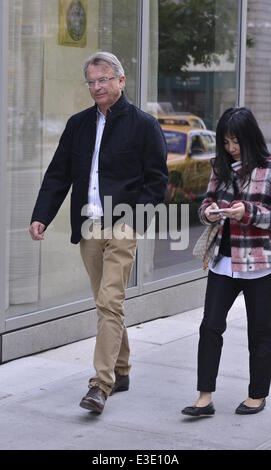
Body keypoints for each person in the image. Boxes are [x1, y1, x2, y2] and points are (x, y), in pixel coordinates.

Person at [29, 51, 168, 414]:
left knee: (109, 301)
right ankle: (121, 370)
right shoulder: (78, 125)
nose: (97, 87)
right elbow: (58, 173)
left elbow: (157, 183)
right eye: (91, 81)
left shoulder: (143, 125)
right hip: (89, 226)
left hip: (122, 222)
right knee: (106, 303)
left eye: (104, 79)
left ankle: (100, 385)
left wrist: (135, 222)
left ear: (121, 81)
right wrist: (42, 214)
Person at [182, 107, 271, 417]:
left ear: (249, 139)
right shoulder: (220, 168)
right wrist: (208, 212)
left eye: (236, 142)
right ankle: (204, 397)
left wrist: (244, 212)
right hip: (223, 262)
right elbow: (205, 204)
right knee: (210, 327)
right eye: (226, 142)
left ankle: (257, 394)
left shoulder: (268, 169)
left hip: (259, 265)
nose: (231, 148)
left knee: (260, 332)